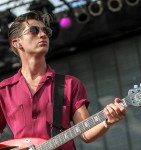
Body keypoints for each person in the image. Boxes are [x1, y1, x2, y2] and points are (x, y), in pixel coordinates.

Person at [0, 11, 126, 150]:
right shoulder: (4, 90)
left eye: (46, 30)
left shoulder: (70, 84)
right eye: (34, 30)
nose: (43, 35)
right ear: (17, 43)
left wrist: (107, 121)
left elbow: (86, 133)